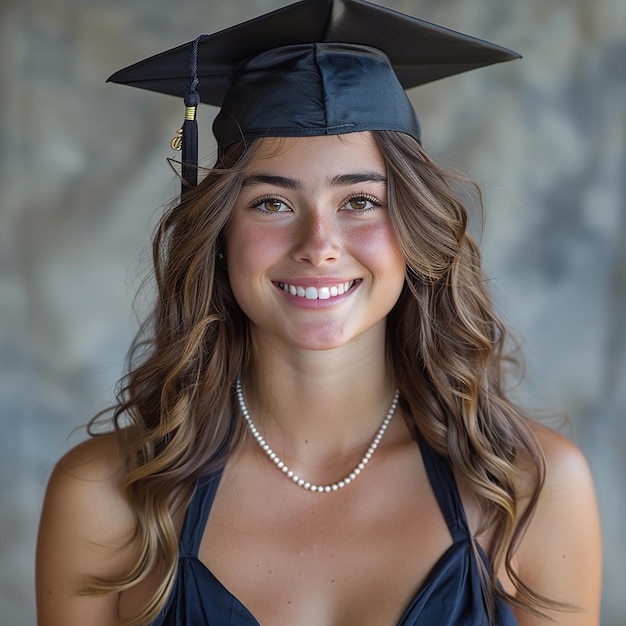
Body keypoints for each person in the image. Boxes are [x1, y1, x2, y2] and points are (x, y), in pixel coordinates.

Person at [35, 1, 602, 624]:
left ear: (416, 227)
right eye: (272, 204)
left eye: (359, 200)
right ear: (219, 232)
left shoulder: (527, 491)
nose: (319, 245)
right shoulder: (105, 498)